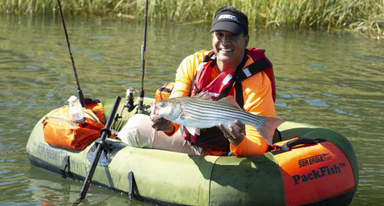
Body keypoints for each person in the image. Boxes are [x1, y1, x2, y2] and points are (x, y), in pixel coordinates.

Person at [118, 6, 277, 156]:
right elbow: (176, 111)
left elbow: (259, 145)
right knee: (134, 126)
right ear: (212, 37)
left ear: (246, 40)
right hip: (190, 140)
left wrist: (237, 139)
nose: (224, 42)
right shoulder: (193, 63)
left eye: (232, 35)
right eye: (219, 34)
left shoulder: (258, 82)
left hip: (228, 151)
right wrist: (168, 126)